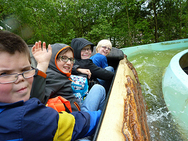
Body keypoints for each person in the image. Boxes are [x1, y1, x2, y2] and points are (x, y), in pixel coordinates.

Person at [0, 30, 101, 141]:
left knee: (98, 89)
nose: (20, 78)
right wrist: (107, 114)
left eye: (25, 70)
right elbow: (37, 101)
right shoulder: (26, 118)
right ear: (53, 59)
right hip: (75, 121)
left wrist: (76, 68)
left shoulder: (62, 73)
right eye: (4, 74)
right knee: (99, 89)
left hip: (76, 116)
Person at [39, 43, 106, 113]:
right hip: (78, 118)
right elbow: (36, 100)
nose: (69, 63)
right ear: (53, 58)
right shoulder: (52, 77)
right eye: (64, 58)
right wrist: (41, 66)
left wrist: (77, 69)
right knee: (99, 88)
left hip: (76, 110)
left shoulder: (58, 72)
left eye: (71, 59)